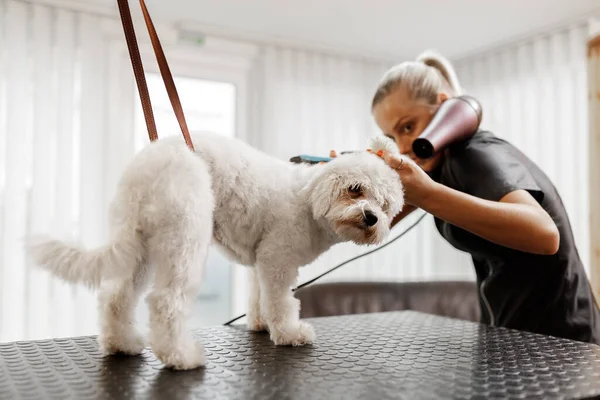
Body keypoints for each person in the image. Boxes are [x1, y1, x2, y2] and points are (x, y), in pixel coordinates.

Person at [369, 50, 600, 344]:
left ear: (443, 107)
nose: (402, 146)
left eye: (407, 127)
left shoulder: (474, 154)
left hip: (563, 344)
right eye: (391, 137)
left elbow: (544, 234)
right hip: (516, 337)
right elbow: (379, 220)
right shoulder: (442, 168)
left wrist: (427, 194)